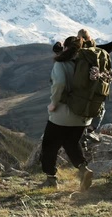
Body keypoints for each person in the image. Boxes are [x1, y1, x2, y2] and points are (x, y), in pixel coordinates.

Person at [40, 36, 94, 191]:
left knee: (49, 145)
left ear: (65, 47)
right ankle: (84, 170)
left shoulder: (61, 63)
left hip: (62, 114)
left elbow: (59, 84)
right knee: (71, 143)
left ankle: (51, 179)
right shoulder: (87, 63)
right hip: (83, 115)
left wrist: (53, 103)